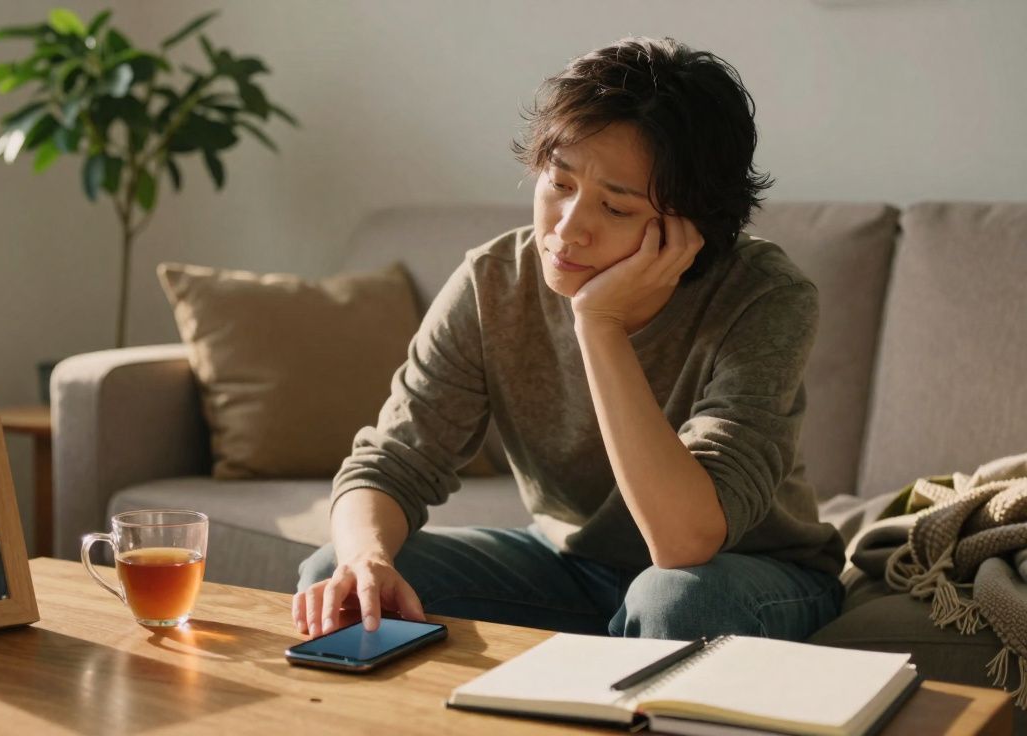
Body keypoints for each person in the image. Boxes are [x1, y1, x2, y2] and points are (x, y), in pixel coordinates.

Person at [294, 37, 845, 643]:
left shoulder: (764, 297)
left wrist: (598, 324)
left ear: (690, 227)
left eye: (616, 209)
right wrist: (366, 557)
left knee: (676, 598)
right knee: (341, 578)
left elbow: (685, 542)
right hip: (569, 566)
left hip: (743, 574)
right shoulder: (494, 280)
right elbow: (392, 463)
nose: (568, 227)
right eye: (559, 183)